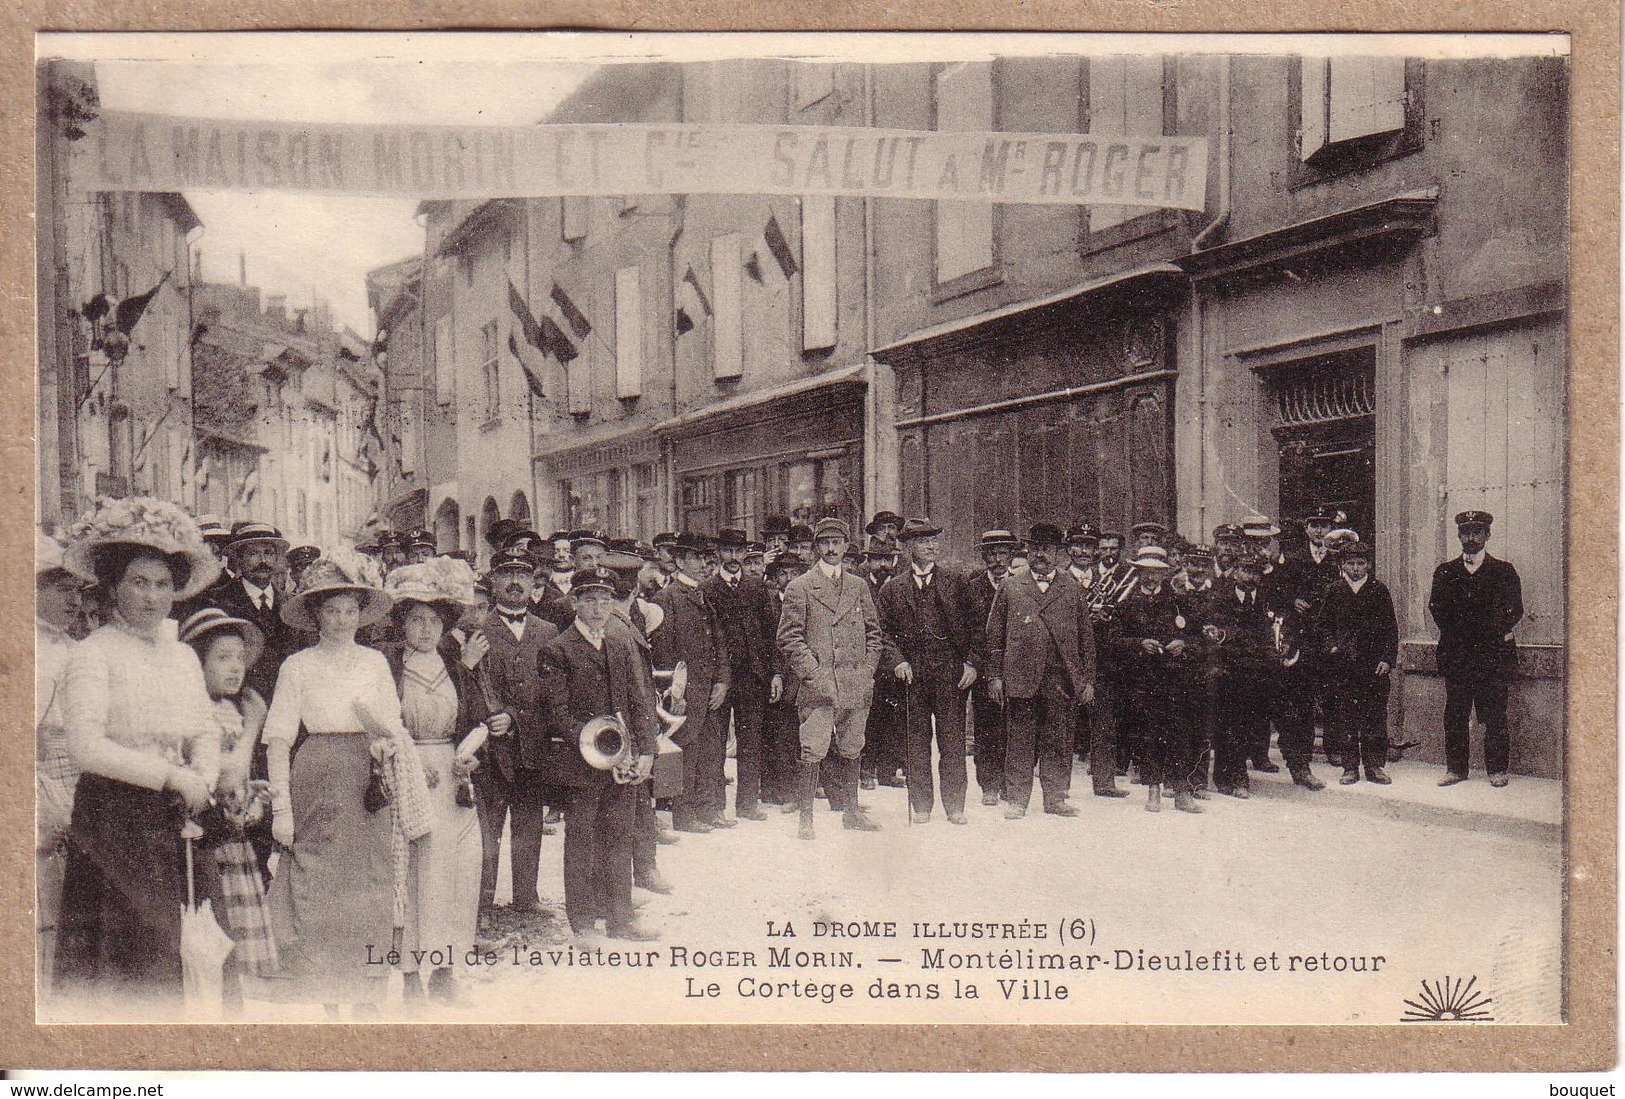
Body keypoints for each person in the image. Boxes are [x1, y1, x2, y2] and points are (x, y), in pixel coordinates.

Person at [54, 497, 224, 1011]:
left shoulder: (184, 656)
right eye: (139, 583)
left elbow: (204, 729)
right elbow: (85, 747)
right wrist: (171, 777)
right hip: (114, 819)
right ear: (112, 588)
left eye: (163, 585)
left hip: (180, 818)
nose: (153, 597)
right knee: (137, 951)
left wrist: (203, 777)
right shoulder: (93, 653)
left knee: (197, 943)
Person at [261, 550, 428, 1016]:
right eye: (331, 611)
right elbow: (277, 738)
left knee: (372, 880)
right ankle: (326, 990)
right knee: (318, 881)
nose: (341, 620)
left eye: (350, 611)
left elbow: (392, 722)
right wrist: (281, 809)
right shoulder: (297, 665)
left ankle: (368, 993)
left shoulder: (375, 662)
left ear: (361, 615)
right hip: (315, 773)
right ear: (315, 616)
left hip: (367, 778)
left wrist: (385, 747)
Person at [381, 558, 487, 1007]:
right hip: (406, 777)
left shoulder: (456, 668)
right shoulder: (388, 667)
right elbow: (381, 724)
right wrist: (406, 756)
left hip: (451, 777)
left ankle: (444, 970)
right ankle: (408, 978)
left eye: (433, 621)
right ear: (403, 624)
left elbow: (478, 721)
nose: (425, 630)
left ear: (445, 626)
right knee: (411, 875)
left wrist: (467, 755)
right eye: (416, 620)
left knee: (455, 874)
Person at [539, 568, 662, 942]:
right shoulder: (557, 649)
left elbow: (641, 701)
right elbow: (556, 713)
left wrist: (646, 752)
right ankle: (584, 922)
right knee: (582, 841)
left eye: (605, 599)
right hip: (581, 764)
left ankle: (621, 920)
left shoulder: (620, 643)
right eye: (589, 599)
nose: (597, 607)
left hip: (622, 762)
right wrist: (594, 743)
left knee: (620, 838)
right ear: (574, 602)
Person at [179, 608, 279, 1007]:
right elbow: (217, 773)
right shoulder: (195, 709)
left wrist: (249, 789)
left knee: (229, 937)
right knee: (213, 926)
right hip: (203, 836)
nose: (235, 667)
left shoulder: (228, 709)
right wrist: (254, 727)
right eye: (222, 657)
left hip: (229, 832)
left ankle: (230, 1006)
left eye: (239, 657)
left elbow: (234, 776)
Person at [776, 517, 884, 839]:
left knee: (853, 746)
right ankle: (806, 818)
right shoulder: (800, 587)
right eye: (825, 542)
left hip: (854, 682)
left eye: (837, 542)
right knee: (813, 749)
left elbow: (874, 634)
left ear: (847, 547)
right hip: (819, 685)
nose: (832, 548)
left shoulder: (858, 586)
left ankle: (851, 813)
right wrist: (812, 673)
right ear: (816, 548)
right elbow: (789, 638)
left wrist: (867, 671)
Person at [984, 523, 1096, 820]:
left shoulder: (1071, 588)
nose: (1041, 555)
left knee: (1059, 739)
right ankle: (1018, 800)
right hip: (1021, 678)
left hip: (1061, 680)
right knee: (1019, 739)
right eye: (1035, 549)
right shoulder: (1011, 586)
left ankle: (1055, 798)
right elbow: (994, 636)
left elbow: (1086, 639)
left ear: (1059, 553)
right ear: (1028, 551)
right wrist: (995, 675)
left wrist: (1087, 680)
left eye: (1047, 549)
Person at [470, 548, 557, 915]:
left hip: (532, 747)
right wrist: (495, 716)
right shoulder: (477, 631)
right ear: (493, 582)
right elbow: (469, 686)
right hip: (491, 752)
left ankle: (526, 896)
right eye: (507, 575)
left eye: (523, 575)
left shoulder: (547, 632)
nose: (516, 582)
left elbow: (553, 691)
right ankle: (481, 901)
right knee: (488, 830)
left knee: (528, 824)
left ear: (534, 582)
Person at [876, 518, 978, 826]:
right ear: (908, 548)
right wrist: (897, 661)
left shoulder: (958, 582)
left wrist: (972, 663)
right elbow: (882, 633)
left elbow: (977, 626)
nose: (932, 546)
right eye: (923, 541)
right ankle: (920, 804)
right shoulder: (893, 590)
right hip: (912, 676)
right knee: (915, 743)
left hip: (950, 674)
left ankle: (955, 805)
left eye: (934, 540)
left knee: (953, 743)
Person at [1429, 511, 1525, 788]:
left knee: (1494, 715)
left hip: (1492, 656)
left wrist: (1486, 631)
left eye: (1477, 532)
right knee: (1456, 714)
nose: (1471, 537)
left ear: (1487, 536)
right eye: (1466, 532)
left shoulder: (1504, 571)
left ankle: (1497, 770)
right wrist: (1461, 632)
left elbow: (1514, 609)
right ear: (1459, 536)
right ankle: (1456, 769)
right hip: (1458, 654)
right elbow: (1437, 609)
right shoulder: (1445, 572)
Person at [650, 534, 732, 832]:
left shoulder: (704, 595)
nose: (703, 563)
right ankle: (683, 817)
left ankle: (707, 809)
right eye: (696, 557)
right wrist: (675, 691)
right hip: (684, 692)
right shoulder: (666, 599)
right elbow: (662, 652)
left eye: (705, 557)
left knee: (711, 750)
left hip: (710, 690)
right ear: (680, 561)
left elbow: (720, 642)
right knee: (684, 750)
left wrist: (722, 680)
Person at [1111, 547, 1202, 813]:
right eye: (1145, 572)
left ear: (1164, 574)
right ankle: (1153, 790)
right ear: (1138, 573)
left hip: (1176, 679)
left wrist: (1182, 643)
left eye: (1155, 572)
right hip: (1143, 681)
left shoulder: (1179, 602)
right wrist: (1139, 644)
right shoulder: (1127, 604)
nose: (1150, 578)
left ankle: (1182, 791)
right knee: (1149, 735)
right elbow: (1114, 641)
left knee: (1180, 734)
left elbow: (1199, 639)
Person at [703, 529, 779, 822]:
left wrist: (774, 673)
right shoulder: (708, 589)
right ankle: (716, 805)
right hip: (721, 677)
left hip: (752, 676)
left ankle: (748, 803)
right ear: (719, 553)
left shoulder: (756, 587)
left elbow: (770, 633)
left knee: (751, 742)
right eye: (728, 551)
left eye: (739, 551)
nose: (734, 557)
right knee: (716, 742)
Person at [36, 531, 84, 991]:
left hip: (77, 776)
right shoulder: (31, 649)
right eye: (60, 588)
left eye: (77, 590)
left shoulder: (73, 648)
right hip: (46, 780)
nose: (74, 600)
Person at [1319, 538, 1399, 786]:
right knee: (1346, 716)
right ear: (1342, 565)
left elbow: (1390, 628)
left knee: (1374, 716)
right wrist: (1331, 646)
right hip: (1343, 665)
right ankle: (1350, 766)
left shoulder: (1378, 590)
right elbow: (1323, 626)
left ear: (1369, 565)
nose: (1355, 568)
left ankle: (1374, 766)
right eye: (1350, 563)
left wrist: (1387, 659)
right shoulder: (1334, 590)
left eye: (1360, 563)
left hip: (1373, 666)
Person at [1204, 556, 1274, 799]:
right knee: (1226, 725)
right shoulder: (1221, 598)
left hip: (1255, 672)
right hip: (1227, 671)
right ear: (1235, 573)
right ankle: (1228, 775)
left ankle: (1237, 773)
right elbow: (1219, 633)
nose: (1250, 576)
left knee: (1247, 725)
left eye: (1255, 572)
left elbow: (1268, 634)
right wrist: (1235, 638)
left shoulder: (1264, 600)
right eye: (1245, 570)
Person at [965, 529, 1019, 805]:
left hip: (1016, 668)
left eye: (1003, 554)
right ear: (984, 557)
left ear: (1011, 556)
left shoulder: (1021, 586)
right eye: (992, 554)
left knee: (1015, 727)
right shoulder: (972, 587)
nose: (998, 560)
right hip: (984, 668)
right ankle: (988, 784)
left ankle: (1011, 784)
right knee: (986, 727)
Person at [761, 552, 809, 810]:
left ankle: (825, 792)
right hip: (778, 679)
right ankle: (784, 792)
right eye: (783, 574)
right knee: (781, 735)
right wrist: (775, 674)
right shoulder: (768, 604)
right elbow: (768, 644)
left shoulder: (807, 600)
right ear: (775, 578)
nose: (789, 579)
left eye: (795, 573)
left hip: (804, 676)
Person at [858, 541, 905, 792]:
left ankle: (887, 771)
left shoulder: (899, 586)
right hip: (868, 661)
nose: (883, 564)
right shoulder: (860, 585)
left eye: (887, 559)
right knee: (868, 717)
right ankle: (866, 770)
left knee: (892, 717)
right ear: (869, 561)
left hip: (892, 662)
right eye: (877, 559)